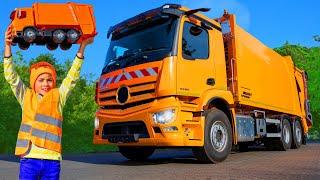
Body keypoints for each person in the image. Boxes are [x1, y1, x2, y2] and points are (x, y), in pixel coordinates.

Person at [3, 25, 94, 180]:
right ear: (33, 82)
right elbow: (11, 77)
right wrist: (7, 46)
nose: (46, 83)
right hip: (29, 159)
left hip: (52, 161)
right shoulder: (26, 96)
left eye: (49, 80)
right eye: (41, 80)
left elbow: (72, 77)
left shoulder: (59, 96)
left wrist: (82, 47)